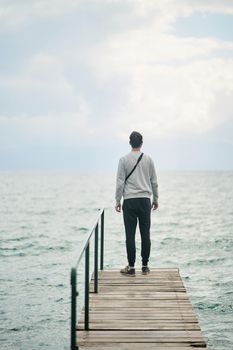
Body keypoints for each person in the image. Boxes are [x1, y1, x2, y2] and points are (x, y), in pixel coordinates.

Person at [115, 131, 158, 276]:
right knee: (145, 234)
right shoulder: (149, 159)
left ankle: (131, 267)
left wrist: (117, 200)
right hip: (145, 200)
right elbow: (154, 181)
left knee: (130, 235)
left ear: (129, 142)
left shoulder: (123, 160)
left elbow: (120, 182)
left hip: (130, 201)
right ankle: (145, 266)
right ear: (141, 143)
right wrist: (156, 198)